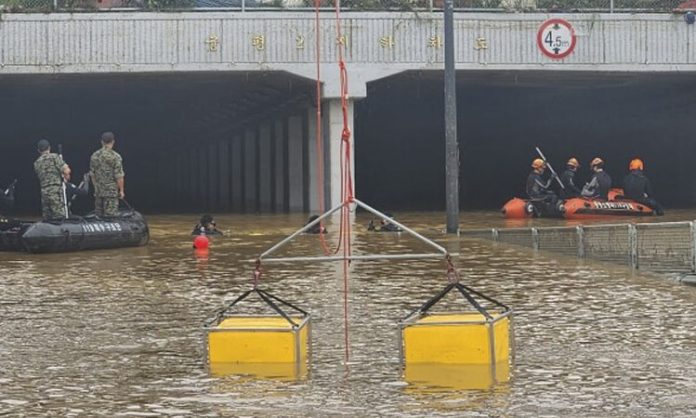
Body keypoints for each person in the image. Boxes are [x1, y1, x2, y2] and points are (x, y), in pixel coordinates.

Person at [34, 139, 71, 220]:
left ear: (38, 150)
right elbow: (66, 170)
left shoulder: (37, 163)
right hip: (55, 190)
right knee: (59, 216)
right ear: (49, 148)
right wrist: (66, 179)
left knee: (47, 217)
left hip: (44, 191)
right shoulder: (54, 157)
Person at [90, 132, 125, 218]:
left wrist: (96, 187)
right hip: (111, 192)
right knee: (111, 217)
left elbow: (92, 175)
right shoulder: (115, 156)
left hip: (99, 191)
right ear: (113, 142)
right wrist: (121, 190)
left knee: (98, 217)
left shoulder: (94, 156)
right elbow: (119, 176)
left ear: (102, 142)